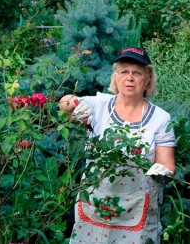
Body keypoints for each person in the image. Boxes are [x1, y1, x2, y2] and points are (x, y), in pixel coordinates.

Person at [58, 46, 176, 244]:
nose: (130, 78)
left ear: (147, 78)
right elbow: (64, 104)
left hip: (137, 209)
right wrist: (74, 103)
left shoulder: (161, 119)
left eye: (137, 73)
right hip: (95, 207)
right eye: (124, 72)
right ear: (116, 77)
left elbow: (168, 166)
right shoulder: (98, 106)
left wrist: (162, 173)